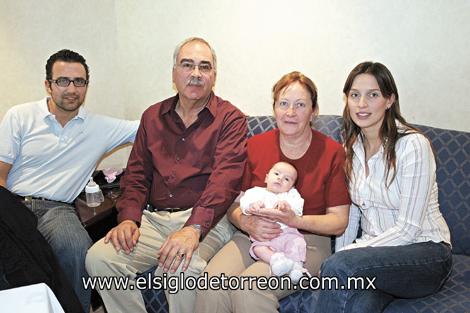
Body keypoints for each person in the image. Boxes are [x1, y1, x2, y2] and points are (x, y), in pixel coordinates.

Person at [85, 37, 247, 313]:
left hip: (207, 220)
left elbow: (225, 181)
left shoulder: (230, 119)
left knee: (181, 269)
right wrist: (127, 219)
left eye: (204, 67)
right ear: (174, 74)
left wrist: (192, 229)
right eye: (187, 65)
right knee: (99, 258)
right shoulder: (152, 117)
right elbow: (136, 174)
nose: (196, 74)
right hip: (155, 220)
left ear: (214, 76)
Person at [195, 71, 351, 312]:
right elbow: (234, 204)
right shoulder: (255, 146)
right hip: (253, 236)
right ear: (274, 108)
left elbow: (339, 222)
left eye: (300, 105)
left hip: (304, 241)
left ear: (314, 111)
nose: (290, 113)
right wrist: (246, 223)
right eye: (284, 104)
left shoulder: (332, 152)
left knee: (250, 288)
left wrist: (295, 220)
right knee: (211, 284)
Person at [0, 49, 139, 312]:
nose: (72, 88)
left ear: (87, 85)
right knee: (12, 258)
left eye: (79, 81)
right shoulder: (20, 116)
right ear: (48, 85)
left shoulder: (100, 127)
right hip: (12, 204)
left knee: (77, 249)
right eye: (63, 81)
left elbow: (148, 126)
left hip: (56, 209)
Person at [316, 62, 452, 313]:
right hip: (373, 260)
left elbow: (409, 229)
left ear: (389, 100)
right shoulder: (351, 148)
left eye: (373, 95)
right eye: (355, 95)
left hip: (424, 253)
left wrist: (347, 257)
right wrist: (346, 254)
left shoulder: (413, 146)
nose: (361, 104)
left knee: (338, 268)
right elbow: (353, 212)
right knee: (356, 306)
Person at [240, 161, 307, 282]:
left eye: (286, 179)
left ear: (291, 186)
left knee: (298, 243)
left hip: (287, 233)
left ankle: (297, 267)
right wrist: (251, 206)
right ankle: (276, 260)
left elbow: (298, 209)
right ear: (266, 177)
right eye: (276, 173)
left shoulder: (290, 195)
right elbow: (244, 204)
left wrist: (286, 206)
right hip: (264, 237)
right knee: (257, 249)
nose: (280, 178)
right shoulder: (255, 192)